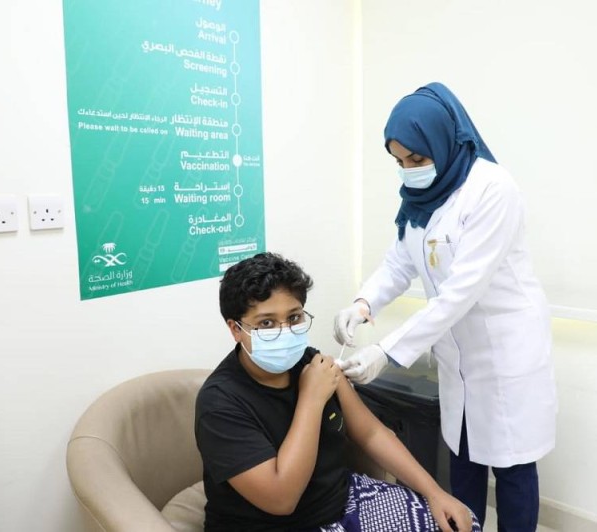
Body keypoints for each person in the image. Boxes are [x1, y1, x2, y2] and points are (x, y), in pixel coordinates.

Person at [333, 82, 557, 532]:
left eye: (417, 159)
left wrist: (386, 351)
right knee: (463, 459)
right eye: (399, 161)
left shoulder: (492, 190)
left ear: (443, 141)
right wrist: (362, 302)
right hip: (458, 358)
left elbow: (460, 292)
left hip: (505, 355)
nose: (408, 171)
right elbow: (398, 263)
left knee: (512, 469)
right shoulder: (421, 196)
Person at [195, 252, 481, 532]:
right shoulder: (220, 403)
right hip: (270, 525)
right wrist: (311, 399)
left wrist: (434, 492)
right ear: (235, 329)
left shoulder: (310, 362)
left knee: (460, 523)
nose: (284, 331)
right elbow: (281, 500)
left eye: (294, 317)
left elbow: (371, 433)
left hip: (342, 502)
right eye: (266, 323)